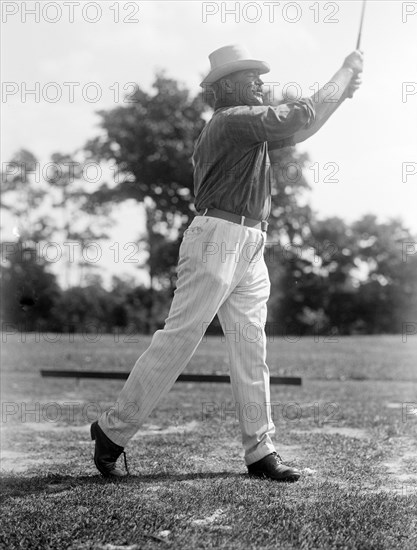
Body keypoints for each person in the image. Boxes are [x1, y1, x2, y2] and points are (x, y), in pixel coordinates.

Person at [90, 44, 363, 481]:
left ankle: (260, 451)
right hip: (216, 238)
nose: (260, 81)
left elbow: (304, 127)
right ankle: (110, 432)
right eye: (251, 76)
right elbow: (300, 115)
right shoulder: (232, 120)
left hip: (251, 241)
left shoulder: (245, 127)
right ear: (226, 87)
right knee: (179, 340)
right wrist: (345, 72)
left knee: (251, 346)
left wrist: (342, 94)